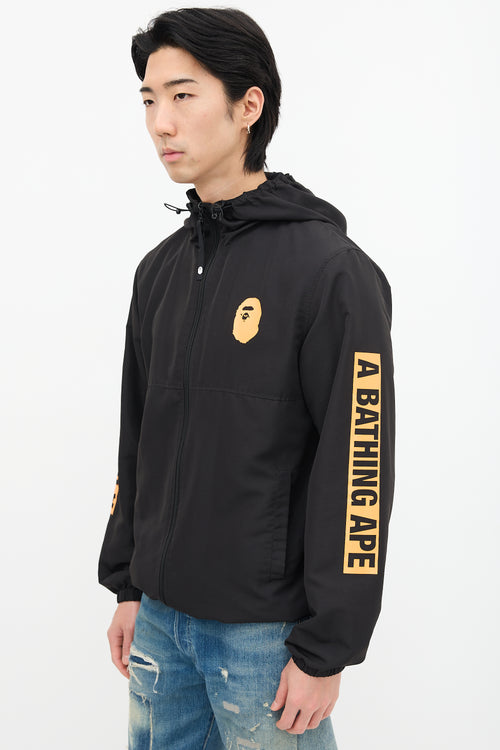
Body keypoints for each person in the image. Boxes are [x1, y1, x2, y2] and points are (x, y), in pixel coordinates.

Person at [98, 7, 395, 749]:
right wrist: (129, 582)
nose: (161, 123)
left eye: (183, 95)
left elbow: (358, 464)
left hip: (264, 641)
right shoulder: (159, 272)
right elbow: (139, 437)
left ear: (248, 105)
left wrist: (327, 647)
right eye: (149, 99)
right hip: (159, 628)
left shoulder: (330, 272)